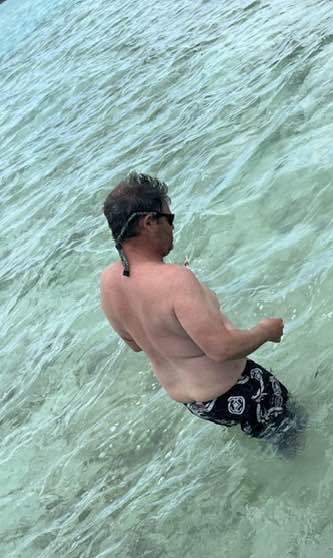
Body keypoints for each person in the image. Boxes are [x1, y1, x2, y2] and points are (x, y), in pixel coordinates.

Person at [99, 172, 296, 442]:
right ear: (149, 222)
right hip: (240, 390)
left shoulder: (109, 282)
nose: (173, 226)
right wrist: (266, 330)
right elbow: (222, 348)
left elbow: (136, 342)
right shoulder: (176, 281)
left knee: (271, 442)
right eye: (169, 218)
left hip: (200, 405)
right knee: (299, 439)